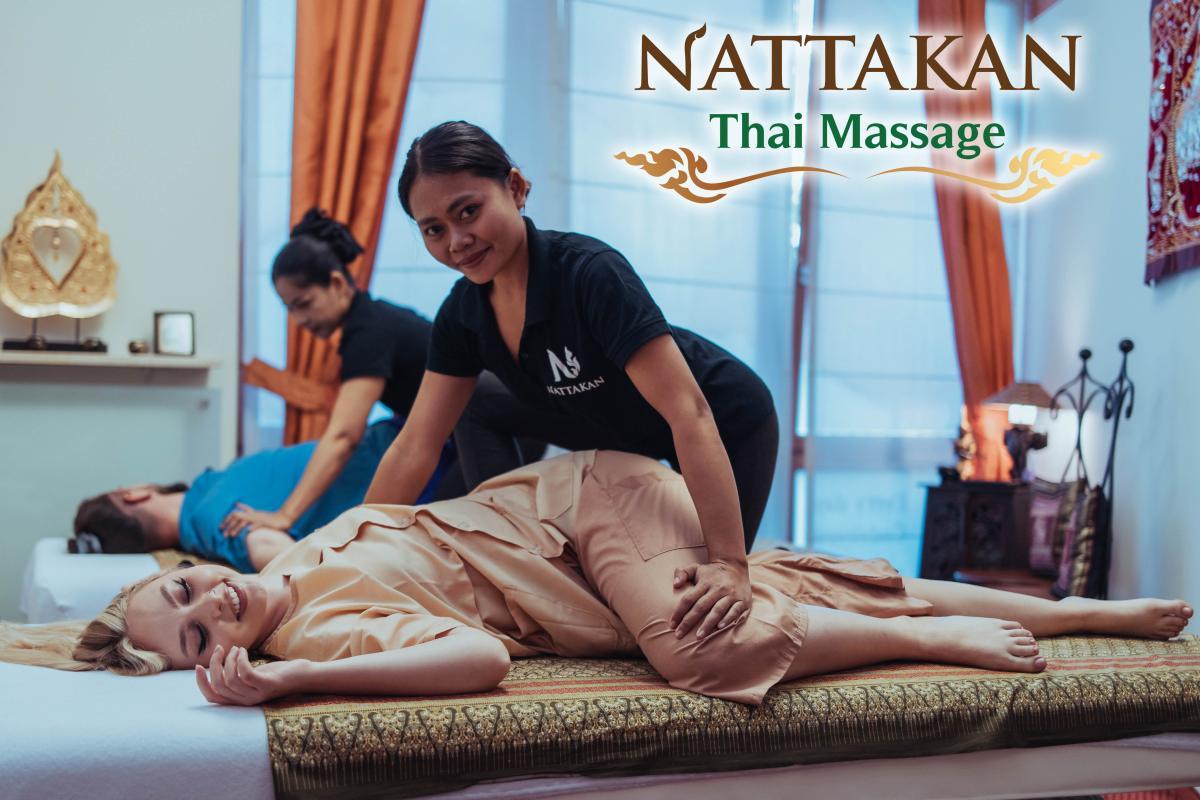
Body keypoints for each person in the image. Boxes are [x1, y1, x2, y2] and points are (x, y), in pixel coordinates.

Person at [9, 450, 1192, 708]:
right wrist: (273, 687)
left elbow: (262, 544)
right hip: (605, 534)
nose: (209, 602)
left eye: (185, 588)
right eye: (191, 630)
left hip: (580, 500)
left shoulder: (282, 558)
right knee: (830, 582)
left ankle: (944, 646)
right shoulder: (314, 639)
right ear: (209, 661)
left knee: (708, 652)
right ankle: (1091, 608)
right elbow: (479, 659)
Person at [364, 121, 781, 642]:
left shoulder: (589, 272)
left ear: (515, 189)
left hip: (721, 421)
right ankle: (512, 551)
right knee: (479, 404)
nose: (457, 241)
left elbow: (688, 413)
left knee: (701, 610)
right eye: (434, 229)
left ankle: (810, 587)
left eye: (468, 211)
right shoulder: (462, 314)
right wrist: (349, 547)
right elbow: (415, 445)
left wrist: (730, 563)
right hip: (604, 422)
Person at [222, 209, 466, 539]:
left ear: (336, 283)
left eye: (304, 303)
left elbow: (343, 436)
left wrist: (285, 516)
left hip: (485, 431)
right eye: (290, 309)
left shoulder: (369, 332)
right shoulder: (373, 319)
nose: (299, 320)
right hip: (458, 435)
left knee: (425, 536)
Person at [71, 419, 448, 571]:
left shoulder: (207, 492)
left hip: (418, 443)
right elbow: (273, 549)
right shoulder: (211, 524)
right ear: (134, 495)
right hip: (429, 468)